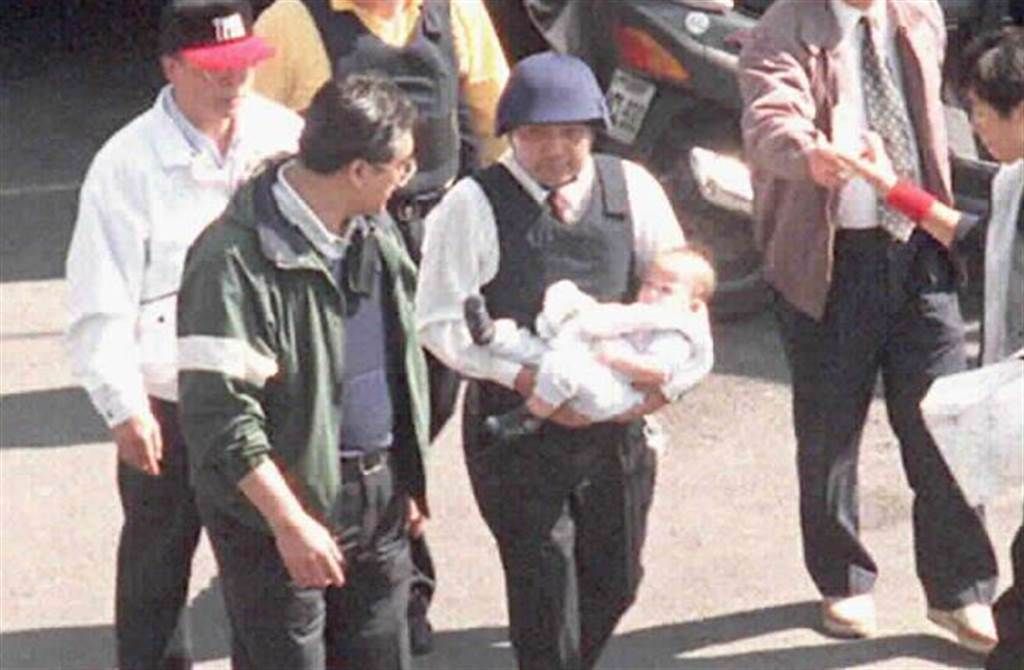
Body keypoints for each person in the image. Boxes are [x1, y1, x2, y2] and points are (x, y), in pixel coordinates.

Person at [738, 0, 999, 652]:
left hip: (920, 246)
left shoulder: (918, 14)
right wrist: (808, 153)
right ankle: (843, 579)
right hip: (831, 258)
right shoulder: (783, 28)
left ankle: (961, 590)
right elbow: (769, 117)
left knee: (946, 423)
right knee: (830, 432)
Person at [415, 51, 685, 670]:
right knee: (544, 589)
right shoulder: (472, 204)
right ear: (511, 134)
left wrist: (660, 382)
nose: (555, 149)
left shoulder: (631, 188)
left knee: (616, 580)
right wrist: (525, 378)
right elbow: (438, 320)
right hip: (517, 431)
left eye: (571, 133)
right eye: (537, 134)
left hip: (616, 426)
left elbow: (678, 295)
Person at [252, 2, 510, 647]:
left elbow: (494, 116)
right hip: (342, 242)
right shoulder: (291, 22)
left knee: (427, 405)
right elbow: (255, 135)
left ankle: (386, 548)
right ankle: (393, 583)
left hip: (437, 234)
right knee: (359, 410)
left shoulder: (455, 13)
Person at [64, 2, 302, 667]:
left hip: (265, 395)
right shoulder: (126, 163)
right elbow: (100, 297)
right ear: (170, 67)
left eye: (242, 67)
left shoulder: (285, 138)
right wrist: (123, 405)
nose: (232, 83)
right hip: (170, 402)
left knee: (267, 562)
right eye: (213, 71)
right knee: (157, 566)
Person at [176, 73, 429, 670]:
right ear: (359, 171)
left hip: (379, 499)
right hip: (278, 517)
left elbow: (397, 361)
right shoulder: (230, 261)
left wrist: (405, 479)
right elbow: (221, 419)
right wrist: (289, 523)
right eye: (401, 165)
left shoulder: (376, 230)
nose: (408, 177)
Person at [834, 26, 1023, 670]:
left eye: (980, 111)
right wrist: (892, 187)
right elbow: (980, 239)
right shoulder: (1014, 184)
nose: (974, 127)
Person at [465, 246, 714, 441]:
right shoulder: (644, 315)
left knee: (560, 367)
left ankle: (530, 415)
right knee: (542, 348)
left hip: (614, 390)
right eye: (648, 284)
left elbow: (659, 373)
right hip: (597, 361)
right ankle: (493, 335)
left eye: (665, 290)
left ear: (693, 306)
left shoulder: (674, 335)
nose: (650, 293)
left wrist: (616, 360)